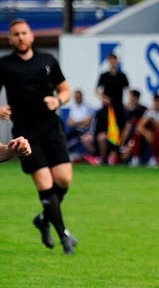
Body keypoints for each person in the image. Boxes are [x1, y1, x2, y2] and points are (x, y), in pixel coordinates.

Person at [0, 18, 77, 254]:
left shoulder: (47, 60)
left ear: (32, 36)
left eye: (24, 33)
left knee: (63, 180)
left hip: (51, 127)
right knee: (45, 182)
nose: (21, 37)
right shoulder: (4, 65)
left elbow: (65, 90)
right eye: (16, 34)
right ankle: (64, 236)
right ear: (10, 39)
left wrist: (58, 100)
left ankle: (44, 219)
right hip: (25, 133)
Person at [96, 53, 129, 164]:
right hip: (108, 109)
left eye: (114, 60)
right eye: (110, 61)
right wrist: (104, 98)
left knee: (119, 131)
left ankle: (117, 155)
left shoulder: (122, 76)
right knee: (107, 132)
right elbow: (97, 91)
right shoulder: (104, 76)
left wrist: (128, 103)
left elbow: (127, 90)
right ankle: (104, 156)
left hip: (118, 108)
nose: (113, 63)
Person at [65, 89, 99, 164]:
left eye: (78, 97)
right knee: (64, 138)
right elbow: (69, 122)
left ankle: (95, 157)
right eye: (76, 97)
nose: (77, 99)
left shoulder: (88, 107)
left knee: (73, 142)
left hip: (83, 131)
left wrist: (75, 122)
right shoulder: (73, 107)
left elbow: (87, 123)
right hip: (73, 130)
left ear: (82, 97)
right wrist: (79, 122)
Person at [117, 89, 148, 166]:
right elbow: (126, 127)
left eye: (130, 97)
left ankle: (135, 158)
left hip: (138, 135)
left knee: (133, 140)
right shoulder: (126, 110)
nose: (129, 99)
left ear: (135, 98)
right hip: (128, 135)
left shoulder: (143, 110)